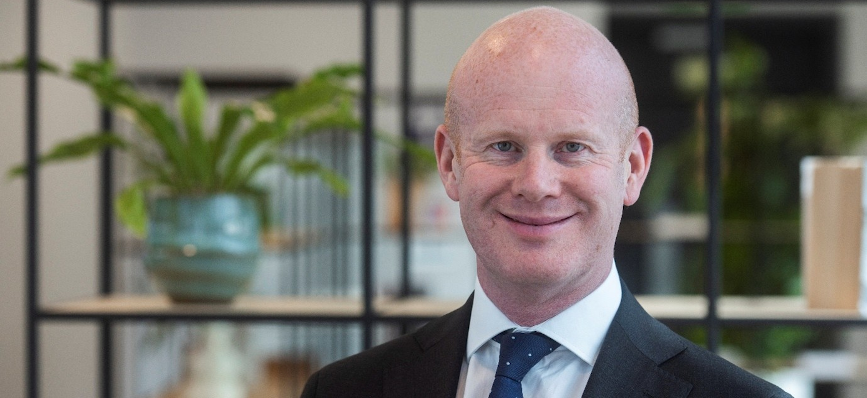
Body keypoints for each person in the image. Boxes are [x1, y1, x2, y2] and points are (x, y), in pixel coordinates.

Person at [301, 6, 792, 398]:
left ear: (634, 167)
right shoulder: (343, 390)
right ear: (450, 162)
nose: (536, 184)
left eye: (572, 148)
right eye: (504, 147)